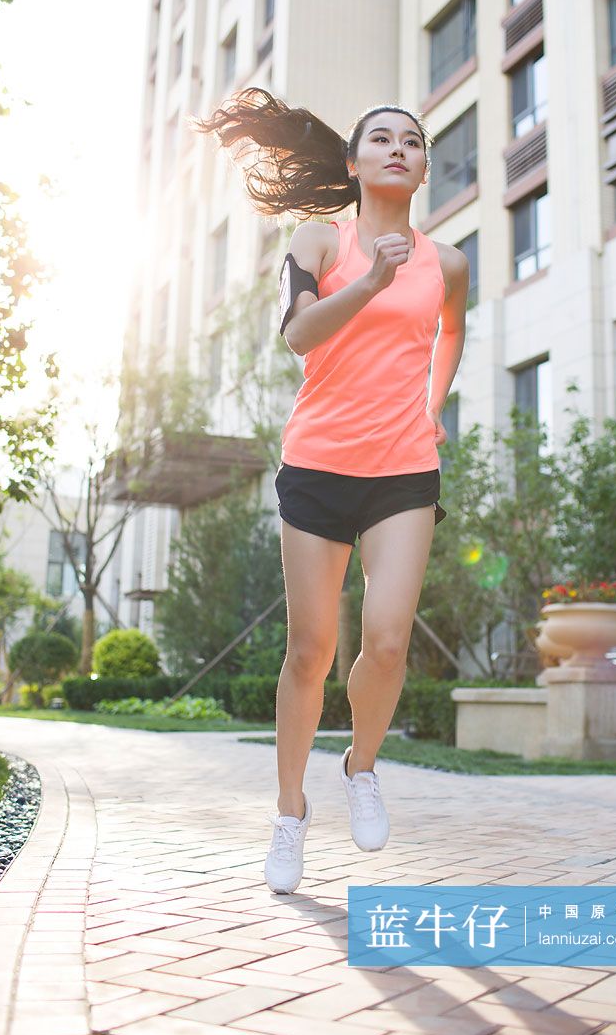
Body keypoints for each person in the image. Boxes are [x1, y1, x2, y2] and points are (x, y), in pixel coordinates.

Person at [194, 87, 468, 893]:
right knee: (311, 649)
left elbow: (451, 330)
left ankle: (360, 764)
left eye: (411, 141)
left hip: (403, 468)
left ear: (420, 169)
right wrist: (370, 284)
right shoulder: (320, 239)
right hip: (316, 465)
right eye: (380, 138)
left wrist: (433, 407)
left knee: (385, 639)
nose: (397, 148)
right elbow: (299, 336)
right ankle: (288, 813)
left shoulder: (446, 262)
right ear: (352, 164)